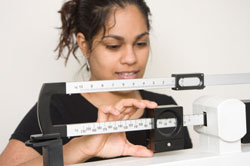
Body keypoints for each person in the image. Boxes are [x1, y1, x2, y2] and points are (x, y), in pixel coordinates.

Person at [0, 0, 192, 165]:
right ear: (84, 45)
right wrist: (80, 148)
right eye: (113, 46)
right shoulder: (54, 110)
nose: (131, 58)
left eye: (141, 43)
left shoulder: (166, 106)